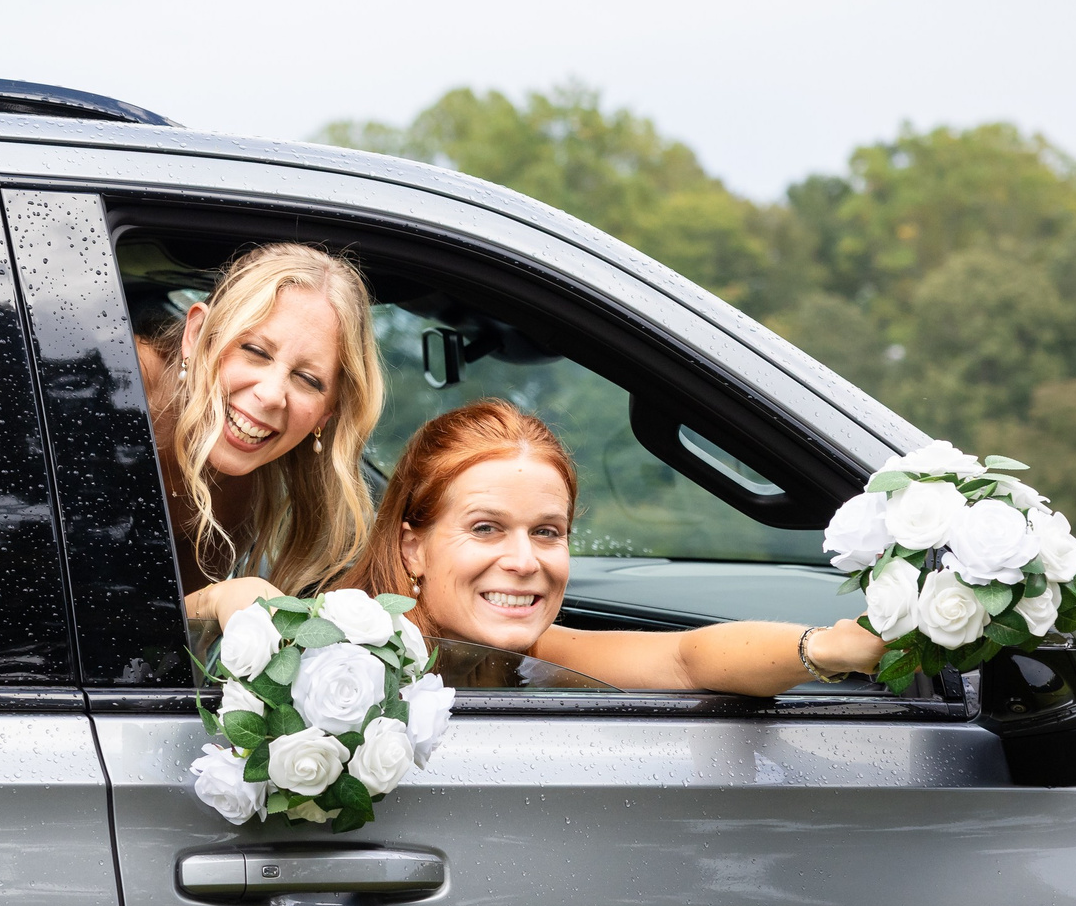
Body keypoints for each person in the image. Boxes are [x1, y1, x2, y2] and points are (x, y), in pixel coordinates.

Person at [349, 399, 885, 695]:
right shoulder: (340, 657)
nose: (523, 560)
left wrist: (826, 649)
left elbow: (684, 661)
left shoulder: (531, 654)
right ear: (413, 548)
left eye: (546, 532)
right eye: (486, 528)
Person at [133, 241, 386, 627]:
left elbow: (143, 647)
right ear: (198, 334)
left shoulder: (241, 488)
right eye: (255, 350)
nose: (270, 395)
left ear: (328, 411)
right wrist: (212, 600)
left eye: (307, 379)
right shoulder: (115, 391)